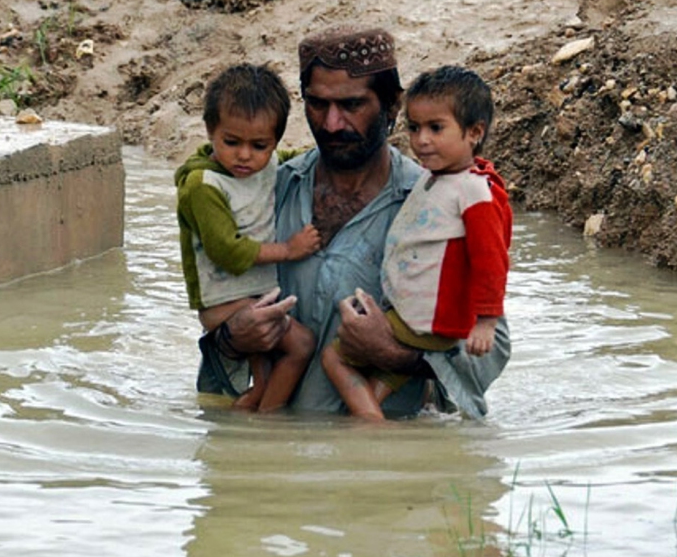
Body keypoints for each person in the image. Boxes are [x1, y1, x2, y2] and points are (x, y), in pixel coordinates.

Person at [197, 25, 511, 419]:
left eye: (351, 105)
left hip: (384, 461)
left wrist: (394, 355)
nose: (331, 124)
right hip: (276, 456)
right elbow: (216, 305)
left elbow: (491, 349)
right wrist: (231, 339)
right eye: (317, 105)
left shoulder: (439, 201)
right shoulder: (267, 192)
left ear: (392, 107)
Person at [322, 65, 512, 420]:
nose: (421, 139)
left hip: (425, 322)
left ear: (474, 132)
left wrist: (486, 321)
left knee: (333, 356)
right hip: (414, 317)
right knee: (374, 395)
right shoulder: (438, 179)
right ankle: (371, 426)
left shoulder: (473, 189)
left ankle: (370, 428)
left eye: (435, 128)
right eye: (414, 127)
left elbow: (491, 258)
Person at [176, 63, 322, 412]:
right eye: (231, 142)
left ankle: (249, 420)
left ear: (274, 141)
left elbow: (296, 162)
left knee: (266, 379)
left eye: (259, 145)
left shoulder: (268, 164)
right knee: (301, 345)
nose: (244, 155)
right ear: (210, 131)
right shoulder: (202, 185)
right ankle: (266, 426)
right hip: (226, 303)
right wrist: (288, 250)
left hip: (253, 296)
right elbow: (226, 250)